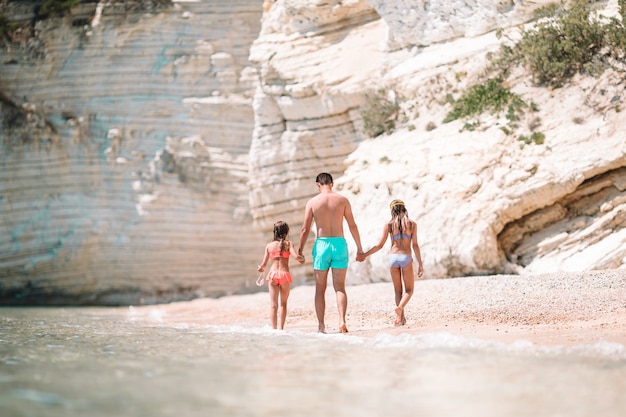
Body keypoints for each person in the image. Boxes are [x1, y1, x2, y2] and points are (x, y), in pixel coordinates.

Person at [298, 172, 364, 334]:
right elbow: (352, 225)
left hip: (322, 245)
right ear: (332, 183)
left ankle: (321, 326)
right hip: (339, 244)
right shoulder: (342, 200)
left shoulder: (313, 202)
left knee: (320, 289)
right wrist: (360, 249)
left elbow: (305, 229)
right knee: (339, 287)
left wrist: (299, 250)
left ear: (318, 184)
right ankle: (342, 321)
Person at [360, 199, 424, 326]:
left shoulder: (388, 225)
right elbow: (415, 245)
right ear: (404, 209)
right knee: (409, 290)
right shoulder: (412, 224)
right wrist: (420, 263)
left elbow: (379, 245)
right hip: (405, 257)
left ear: (392, 210)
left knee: (397, 290)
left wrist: (364, 255)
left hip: (393, 258)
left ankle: (401, 319)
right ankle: (399, 308)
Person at [257, 221, 305, 330]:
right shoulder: (288, 244)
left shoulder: (269, 246)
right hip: (284, 275)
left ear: (274, 232)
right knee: (283, 304)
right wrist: (302, 259)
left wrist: (260, 269)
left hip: (273, 275)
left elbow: (263, 265)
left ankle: (274, 329)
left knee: (273, 305)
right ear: (286, 232)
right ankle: (281, 329)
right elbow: (296, 257)